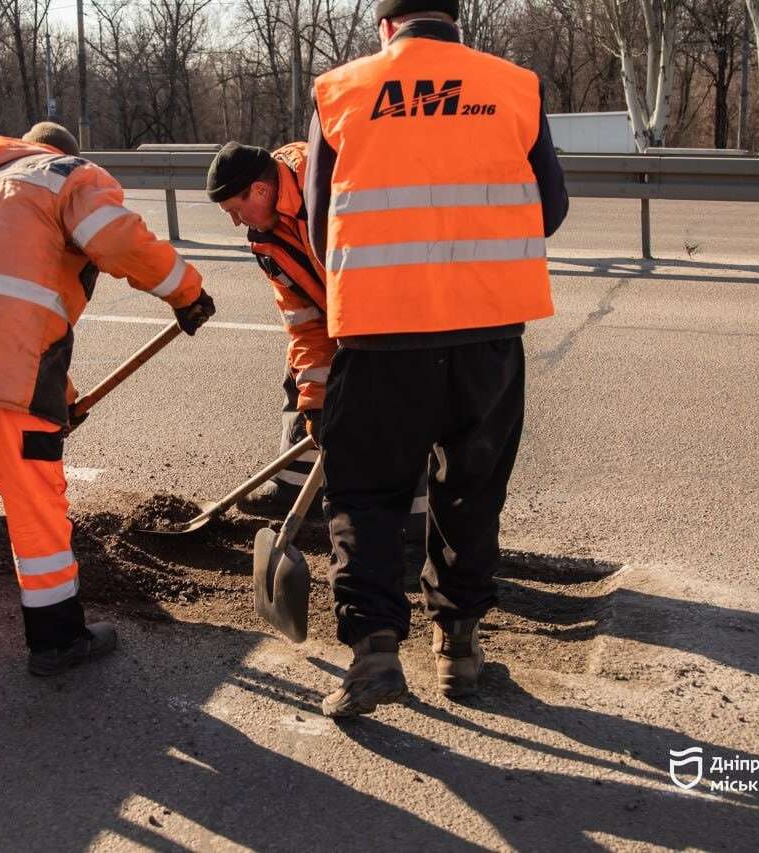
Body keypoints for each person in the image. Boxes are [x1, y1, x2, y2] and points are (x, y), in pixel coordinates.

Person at [303, 0, 569, 716]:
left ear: (385, 27)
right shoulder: (513, 84)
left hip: (381, 330)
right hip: (487, 334)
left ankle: (375, 654)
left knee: (367, 492)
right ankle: (461, 650)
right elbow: (550, 208)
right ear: (456, 22)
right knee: (472, 491)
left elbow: (319, 218)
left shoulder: (342, 90)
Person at [0, 122, 216, 681]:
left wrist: (59, 400)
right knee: (33, 498)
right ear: (63, 153)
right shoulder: (66, 174)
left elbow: (5, 295)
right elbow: (114, 240)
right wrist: (186, 291)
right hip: (9, 363)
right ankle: (57, 638)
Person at [205, 141, 331, 514]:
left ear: (259, 190)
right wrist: (316, 403)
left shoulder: (323, 188)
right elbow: (303, 322)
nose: (235, 222)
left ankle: (414, 517)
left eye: (235, 210)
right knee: (302, 382)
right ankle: (294, 492)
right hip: (333, 318)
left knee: (391, 407)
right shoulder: (266, 243)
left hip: (390, 316)